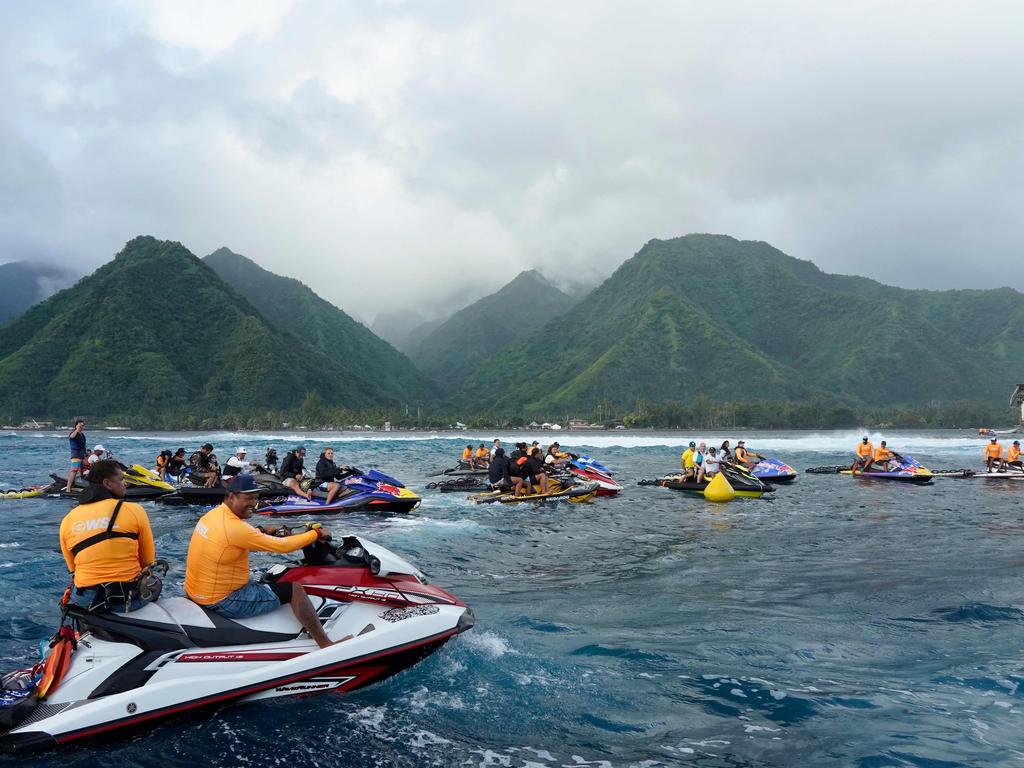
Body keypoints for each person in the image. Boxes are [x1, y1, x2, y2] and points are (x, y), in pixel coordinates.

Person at [184, 474, 341, 648]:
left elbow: (236, 540)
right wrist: (316, 534)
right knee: (294, 590)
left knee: (273, 578)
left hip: (198, 592)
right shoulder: (235, 528)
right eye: (248, 498)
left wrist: (260, 530)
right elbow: (283, 547)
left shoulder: (213, 515)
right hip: (223, 601)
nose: (254, 503)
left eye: (256, 498)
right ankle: (325, 643)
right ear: (231, 496)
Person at [59, 460, 158, 613]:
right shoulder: (134, 510)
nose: (124, 483)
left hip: (86, 599)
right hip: (124, 598)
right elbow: (148, 561)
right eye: (121, 479)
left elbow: (73, 569)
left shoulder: (67, 519)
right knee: (156, 584)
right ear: (107, 483)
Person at [65, 418, 87, 493]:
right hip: (76, 456)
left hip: (82, 456)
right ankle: (68, 488)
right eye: (80, 426)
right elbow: (72, 437)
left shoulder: (82, 434)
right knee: (73, 472)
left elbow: (83, 445)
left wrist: (86, 454)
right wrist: (77, 429)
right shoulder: (73, 433)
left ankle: (80, 485)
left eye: (82, 426)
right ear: (76, 426)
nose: (81, 427)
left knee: (81, 472)